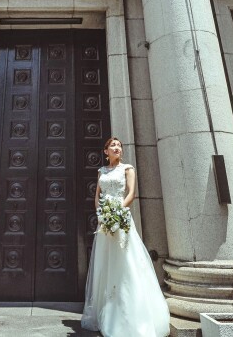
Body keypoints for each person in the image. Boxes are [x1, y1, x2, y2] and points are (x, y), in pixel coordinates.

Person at [80, 137, 170, 337]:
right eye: (113, 145)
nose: (117, 148)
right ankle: (108, 311)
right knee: (106, 263)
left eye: (119, 145)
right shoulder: (101, 172)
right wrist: (102, 214)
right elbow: (98, 195)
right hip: (105, 222)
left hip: (122, 220)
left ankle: (131, 316)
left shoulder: (128, 168)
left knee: (125, 262)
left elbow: (131, 194)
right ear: (106, 151)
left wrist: (117, 212)